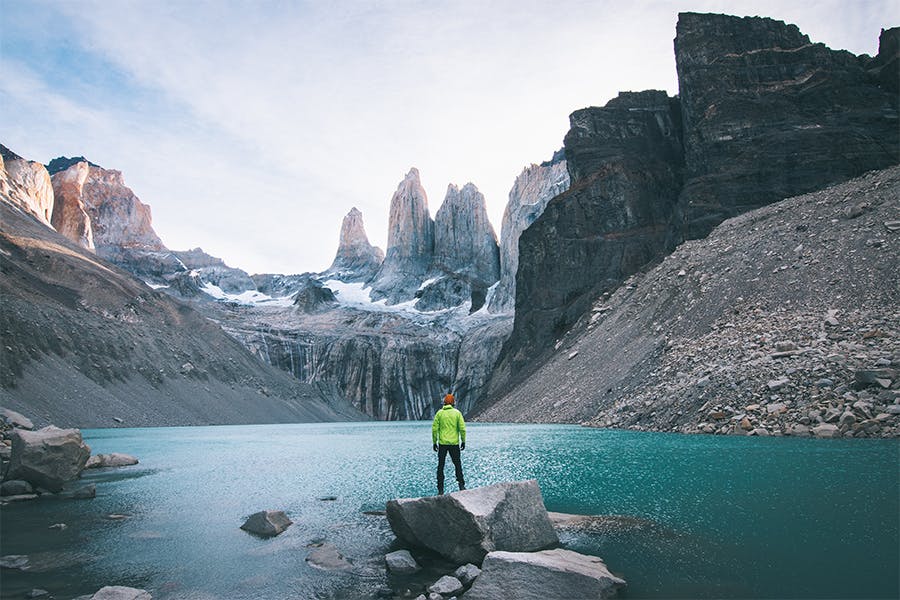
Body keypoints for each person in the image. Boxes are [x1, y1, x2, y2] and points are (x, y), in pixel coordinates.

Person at [432, 391, 466, 495]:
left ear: (444, 403)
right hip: (454, 444)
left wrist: (434, 442)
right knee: (457, 464)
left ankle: (440, 489)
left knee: (440, 466)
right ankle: (461, 485)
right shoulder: (457, 413)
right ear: (453, 403)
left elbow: (434, 429)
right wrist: (463, 441)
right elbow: (462, 428)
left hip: (443, 444)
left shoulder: (439, 413)